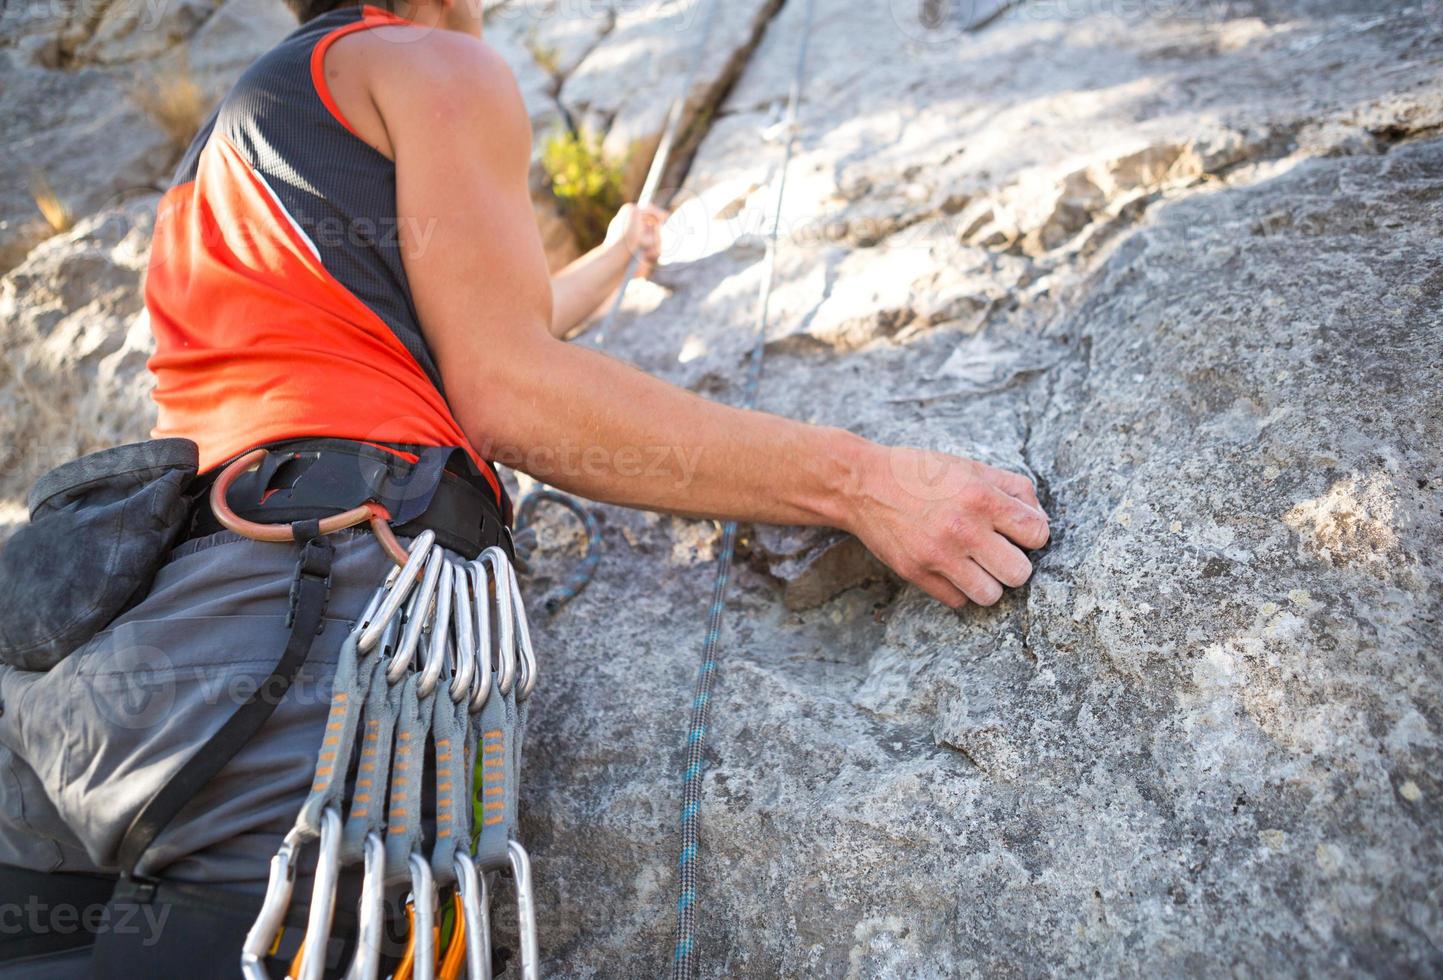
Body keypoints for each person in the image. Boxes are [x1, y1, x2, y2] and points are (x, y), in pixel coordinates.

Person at [0, 0, 1049, 974]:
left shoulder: (241, 136)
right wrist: (865, 481)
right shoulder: (430, 61)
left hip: (116, 651)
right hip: (310, 630)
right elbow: (507, 389)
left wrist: (610, 257)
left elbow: (480, 320)